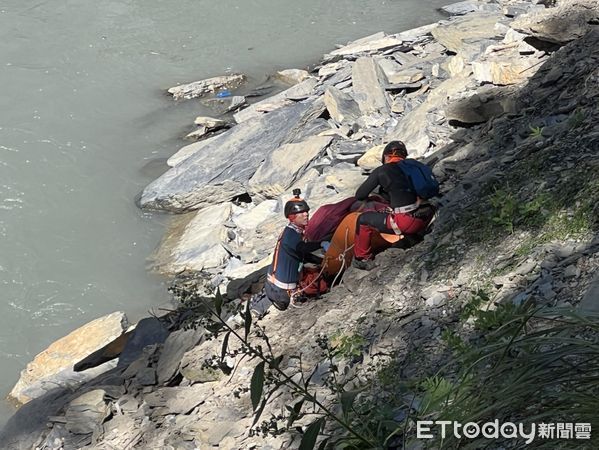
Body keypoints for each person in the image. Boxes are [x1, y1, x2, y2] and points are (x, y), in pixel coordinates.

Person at [353, 141, 437, 270]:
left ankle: (362, 258)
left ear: (386, 157)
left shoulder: (382, 170)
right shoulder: (415, 167)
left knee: (363, 220)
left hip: (408, 222)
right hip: (429, 213)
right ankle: (415, 235)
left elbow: (360, 195)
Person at [264, 189, 329, 310]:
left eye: (306, 212)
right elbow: (303, 249)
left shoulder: (293, 232)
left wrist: (323, 261)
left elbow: (300, 255)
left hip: (277, 284)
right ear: (292, 217)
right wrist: (321, 243)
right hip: (281, 291)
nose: (306, 214)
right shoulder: (291, 235)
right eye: (302, 213)